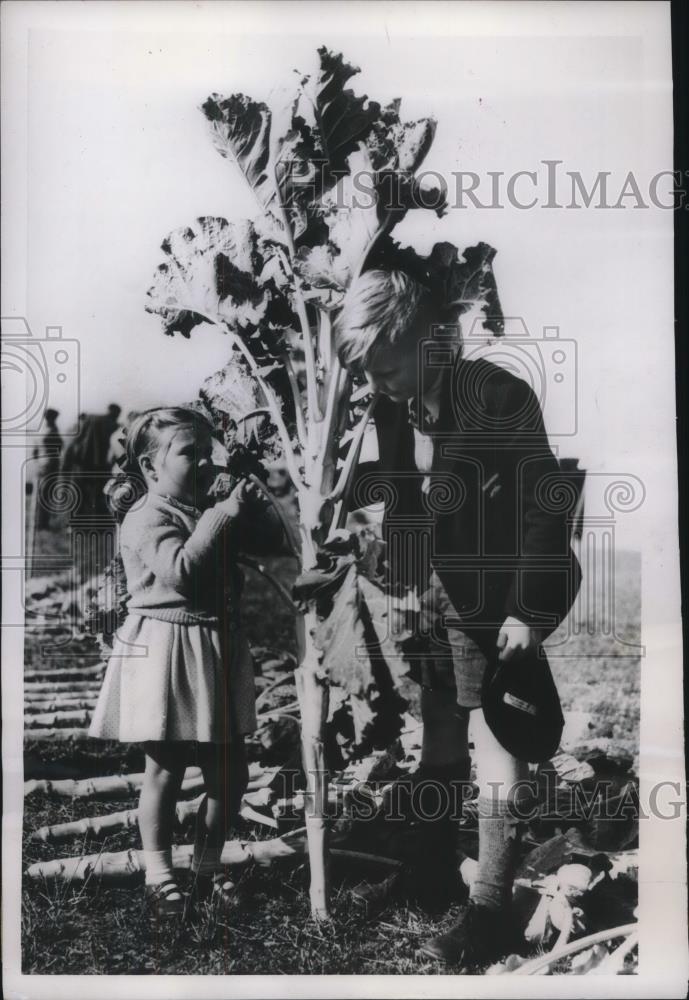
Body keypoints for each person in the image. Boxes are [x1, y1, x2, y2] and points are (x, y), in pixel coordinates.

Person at [334, 270, 580, 968]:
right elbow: (408, 506)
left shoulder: (499, 394)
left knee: (497, 738)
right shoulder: (395, 405)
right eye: (369, 374)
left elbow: (545, 502)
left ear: (422, 340)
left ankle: (490, 911)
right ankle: (430, 872)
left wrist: (528, 612)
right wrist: (403, 582)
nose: (377, 384)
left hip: (493, 600)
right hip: (431, 596)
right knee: (439, 729)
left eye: (384, 367)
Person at [88, 406, 281, 920]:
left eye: (207, 450)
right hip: (169, 649)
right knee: (166, 767)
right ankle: (158, 873)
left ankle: (207, 868)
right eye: (188, 452)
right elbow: (182, 574)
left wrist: (253, 506)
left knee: (229, 772)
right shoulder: (147, 516)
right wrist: (222, 516)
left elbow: (273, 543)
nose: (204, 461)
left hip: (213, 647)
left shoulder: (201, 508)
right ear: (150, 468)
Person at [32, 408, 63, 529]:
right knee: (46, 494)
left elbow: (35, 452)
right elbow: (59, 449)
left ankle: (39, 521)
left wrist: (38, 461)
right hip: (50, 464)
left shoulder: (40, 430)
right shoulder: (53, 431)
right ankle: (42, 522)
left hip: (41, 463)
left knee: (40, 493)